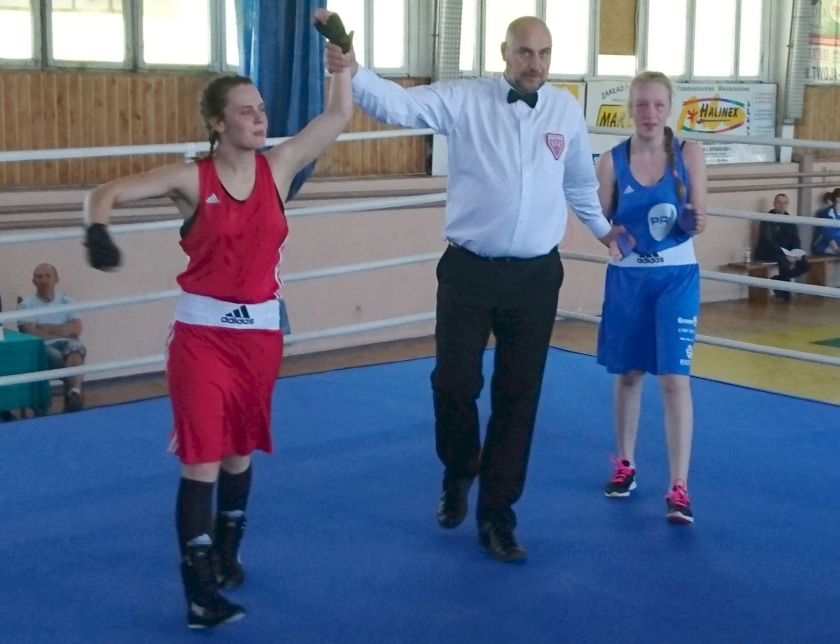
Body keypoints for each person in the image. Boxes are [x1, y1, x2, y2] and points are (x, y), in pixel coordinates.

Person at [83, 11, 353, 630]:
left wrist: (342, 62)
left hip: (260, 337)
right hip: (202, 339)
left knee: (238, 454)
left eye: (261, 109)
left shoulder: (279, 167)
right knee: (202, 459)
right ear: (216, 122)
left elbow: (337, 116)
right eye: (245, 110)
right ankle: (199, 592)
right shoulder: (190, 178)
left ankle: (228, 555)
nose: (259, 118)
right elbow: (105, 193)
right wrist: (96, 230)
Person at [326, 16, 621, 562]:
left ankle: (498, 515)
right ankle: (460, 468)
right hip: (469, 272)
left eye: (544, 53)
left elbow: (579, 182)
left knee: (519, 397)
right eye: (525, 52)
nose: (535, 63)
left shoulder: (564, 110)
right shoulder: (464, 99)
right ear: (503, 52)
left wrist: (604, 231)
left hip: (536, 278)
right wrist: (352, 66)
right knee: (453, 383)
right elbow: (399, 106)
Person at [595, 71, 708, 524]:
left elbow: (702, 216)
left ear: (670, 108)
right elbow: (599, 220)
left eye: (658, 105)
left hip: (677, 276)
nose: (650, 113)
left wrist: (693, 221)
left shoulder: (689, 154)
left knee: (675, 379)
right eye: (642, 104)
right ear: (630, 108)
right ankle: (625, 463)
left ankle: (680, 486)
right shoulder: (611, 161)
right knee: (629, 374)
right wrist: (610, 235)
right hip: (628, 278)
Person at [17, 263, 87, 412]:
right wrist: (63, 329)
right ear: (33, 281)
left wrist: (45, 327)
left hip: (68, 344)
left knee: (76, 348)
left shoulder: (67, 301)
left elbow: (76, 328)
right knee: (66, 357)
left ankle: (74, 393)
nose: (44, 280)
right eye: (39, 277)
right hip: (43, 347)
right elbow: (32, 334)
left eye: (48, 276)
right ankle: (74, 395)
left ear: (56, 279)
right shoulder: (26, 306)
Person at [753, 193, 809, 301]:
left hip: (786, 252)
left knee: (804, 263)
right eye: (779, 202)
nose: (782, 205)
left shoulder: (790, 220)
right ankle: (786, 294)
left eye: (785, 203)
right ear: (774, 203)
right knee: (783, 261)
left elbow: (795, 239)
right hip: (768, 252)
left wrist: (796, 253)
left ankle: (777, 279)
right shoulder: (767, 219)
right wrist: (785, 254)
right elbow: (767, 242)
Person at [811, 187, 840, 256]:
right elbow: (828, 234)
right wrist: (837, 250)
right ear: (837, 199)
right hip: (824, 244)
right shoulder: (827, 212)